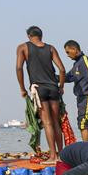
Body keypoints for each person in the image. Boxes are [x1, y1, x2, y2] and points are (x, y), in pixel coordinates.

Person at [15, 26, 66, 161]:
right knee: (56, 122)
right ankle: (61, 155)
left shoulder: (23, 48)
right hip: (53, 88)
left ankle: (53, 155)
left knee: (47, 123)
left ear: (28, 36)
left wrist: (22, 88)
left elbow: (19, 68)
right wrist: (61, 87)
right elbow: (62, 69)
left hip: (39, 89)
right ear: (41, 36)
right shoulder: (50, 48)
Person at [63, 40, 88, 143]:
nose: (67, 55)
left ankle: (86, 150)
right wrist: (53, 77)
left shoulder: (85, 61)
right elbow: (68, 77)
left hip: (87, 96)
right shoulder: (76, 64)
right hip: (82, 97)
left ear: (74, 49)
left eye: (68, 52)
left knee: (82, 123)